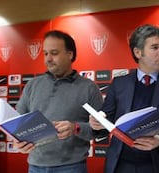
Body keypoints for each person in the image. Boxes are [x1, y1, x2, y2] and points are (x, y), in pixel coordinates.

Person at [89, 24, 159, 173]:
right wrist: (97, 124)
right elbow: (107, 123)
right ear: (138, 52)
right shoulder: (119, 84)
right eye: (155, 47)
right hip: (121, 165)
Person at [13, 30, 104, 173]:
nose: (48, 59)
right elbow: (17, 122)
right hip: (35, 167)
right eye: (45, 53)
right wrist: (17, 140)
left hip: (72, 167)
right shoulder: (32, 85)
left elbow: (102, 130)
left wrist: (75, 128)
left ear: (70, 54)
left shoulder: (89, 88)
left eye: (54, 53)